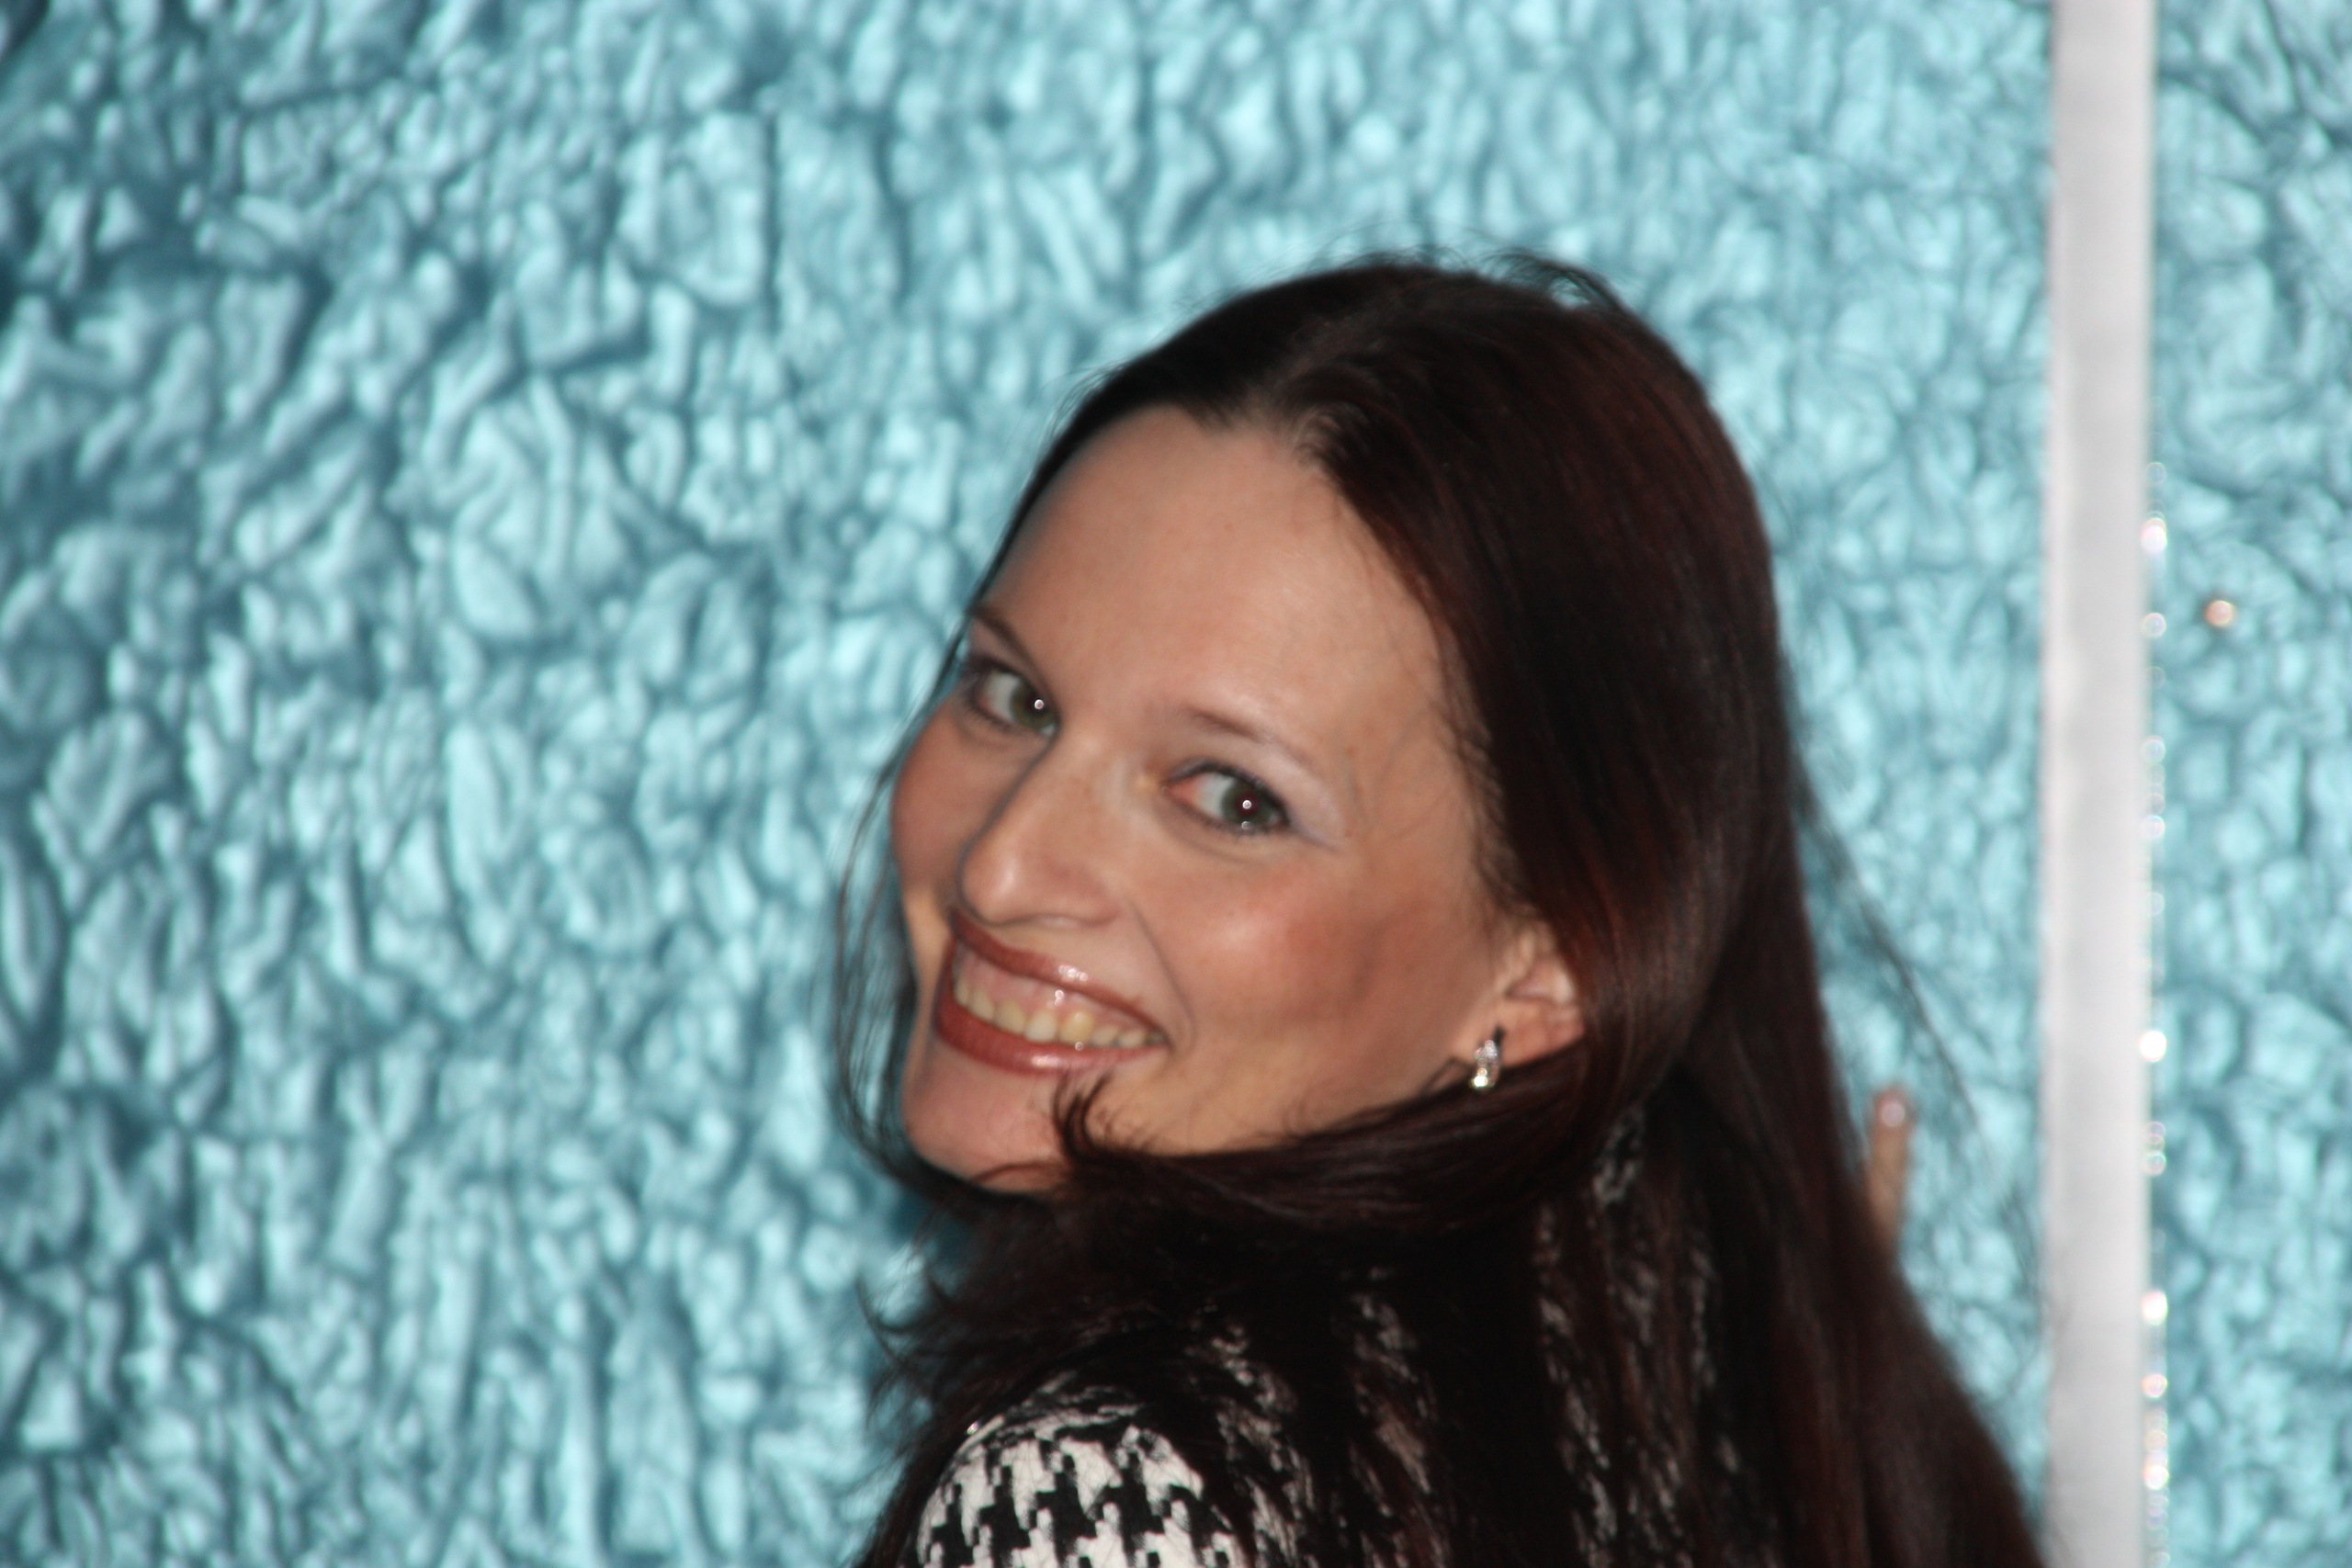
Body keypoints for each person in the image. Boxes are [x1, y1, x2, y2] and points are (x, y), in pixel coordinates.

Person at [831, 257, 2041, 1568]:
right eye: (1013, 697)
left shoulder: (1101, 1494)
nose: (1004, 867)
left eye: (1233, 799)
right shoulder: (1754, 1422)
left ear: (1549, 968)